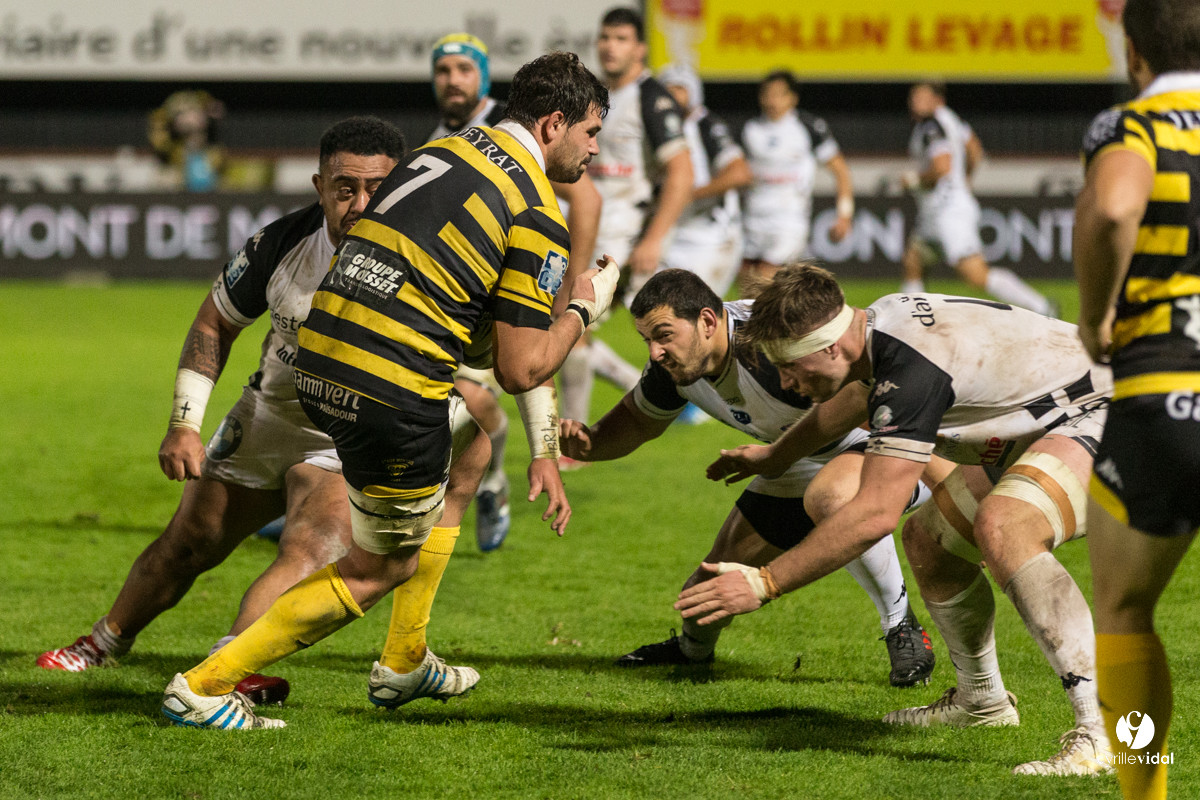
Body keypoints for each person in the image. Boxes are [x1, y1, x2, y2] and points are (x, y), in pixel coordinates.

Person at [158, 51, 620, 730]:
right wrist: (583, 307)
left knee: (471, 449)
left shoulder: (443, 154)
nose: (595, 148)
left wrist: (542, 446)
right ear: (554, 124)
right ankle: (202, 687)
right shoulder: (535, 211)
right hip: (389, 388)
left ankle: (405, 660)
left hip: (317, 359)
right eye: (591, 132)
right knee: (379, 568)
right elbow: (521, 369)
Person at [38, 117, 407, 707]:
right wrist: (185, 423)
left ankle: (227, 669)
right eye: (345, 188)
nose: (359, 204)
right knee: (189, 544)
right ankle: (102, 642)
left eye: (376, 188)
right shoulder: (280, 243)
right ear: (320, 187)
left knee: (313, 549)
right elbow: (215, 322)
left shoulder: (426, 257)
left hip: (345, 437)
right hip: (269, 419)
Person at [693, 263, 1115, 775]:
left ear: (830, 347)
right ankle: (981, 701)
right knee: (930, 543)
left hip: (1120, 412)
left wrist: (765, 582)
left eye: (789, 365)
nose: (785, 381)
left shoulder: (911, 369)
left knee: (1006, 525)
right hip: (1056, 419)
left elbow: (873, 515)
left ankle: (1102, 734)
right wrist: (776, 456)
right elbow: (856, 396)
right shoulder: (877, 327)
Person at [559, 268, 938, 687]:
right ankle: (692, 651)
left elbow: (867, 386)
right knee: (706, 589)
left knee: (836, 498)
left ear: (707, 321)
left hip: (892, 442)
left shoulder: (770, 343)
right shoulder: (676, 367)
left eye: (663, 335)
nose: (655, 352)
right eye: (647, 339)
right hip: (794, 457)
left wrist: (941, 476)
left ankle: (901, 626)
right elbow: (636, 422)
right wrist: (588, 443)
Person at [1075, 1, 1200, 795]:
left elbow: (1115, 207)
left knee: (1124, 610)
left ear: (1133, 52)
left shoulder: (1135, 127)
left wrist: (1096, 316)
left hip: (1168, 395)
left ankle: (1145, 791)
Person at [428, 32, 604, 547]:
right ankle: (490, 480)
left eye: (464, 69)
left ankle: (490, 481)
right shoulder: (443, 136)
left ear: (484, 77)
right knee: (463, 406)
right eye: (443, 70)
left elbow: (587, 199)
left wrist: (567, 287)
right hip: (452, 298)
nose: (452, 80)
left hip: (503, 286)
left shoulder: (510, 132)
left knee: (477, 396)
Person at [556, 6, 689, 431]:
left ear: (640, 48)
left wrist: (653, 239)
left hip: (621, 234)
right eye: (605, 37)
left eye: (621, 38)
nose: (610, 46)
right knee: (566, 324)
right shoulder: (592, 96)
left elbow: (682, 173)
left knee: (570, 320)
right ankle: (653, 390)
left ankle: (571, 435)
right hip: (583, 223)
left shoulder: (653, 98)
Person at [900, 82, 1056, 317]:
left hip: (947, 212)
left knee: (976, 275)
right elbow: (974, 148)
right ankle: (912, 320)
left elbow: (942, 167)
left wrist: (914, 180)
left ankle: (1040, 306)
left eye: (922, 98)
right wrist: (965, 179)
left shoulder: (931, 127)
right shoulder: (951, 120)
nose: (915, 103)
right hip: (939, 209)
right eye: (913, 97)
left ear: (937, 100)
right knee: (913, 261)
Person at [739, 71, 854, 298]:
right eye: (767, 94)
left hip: (788, 219)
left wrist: (844, 215)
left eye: (779, 95)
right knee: (748, 287)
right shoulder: (750, 129)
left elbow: (840, 170)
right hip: (753, 217)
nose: (772, 101)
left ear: (792, 98)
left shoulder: (808, 127)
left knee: (765, 278)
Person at [657, 63, 751, 300]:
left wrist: (688, 194)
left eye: (679, 88)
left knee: (692, 309)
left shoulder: (704, 124)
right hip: (674, 232)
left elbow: (740, 173)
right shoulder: (655, 125)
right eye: (667, 89)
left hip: (711, 236)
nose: (672, 95)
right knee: (655, 306)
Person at [147, 90, 226, 192]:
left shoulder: (215, 152)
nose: (186, 117)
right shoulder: (172, 150)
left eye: (191, 110)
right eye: (179, 114)